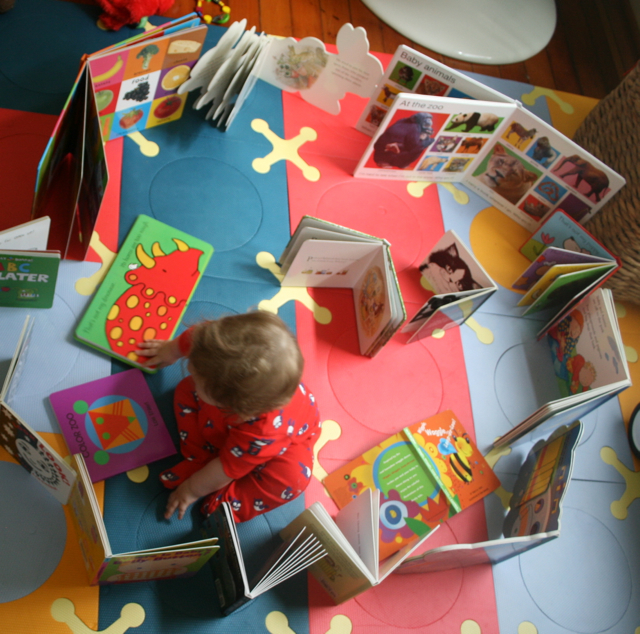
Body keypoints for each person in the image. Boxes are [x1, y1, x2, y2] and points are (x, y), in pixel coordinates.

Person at [136, 312, 320, 523]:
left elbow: (226, 468)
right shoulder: (218, 341)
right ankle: (200, 458)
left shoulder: (262, 433)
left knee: (292, 479)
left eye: (198, 377)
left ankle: (225, 503)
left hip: (283, 445)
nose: (189, 368)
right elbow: (194, 339)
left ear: (234, 409)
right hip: (238, 417)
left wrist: (191, 489)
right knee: (186, 390)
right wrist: (170, 350)